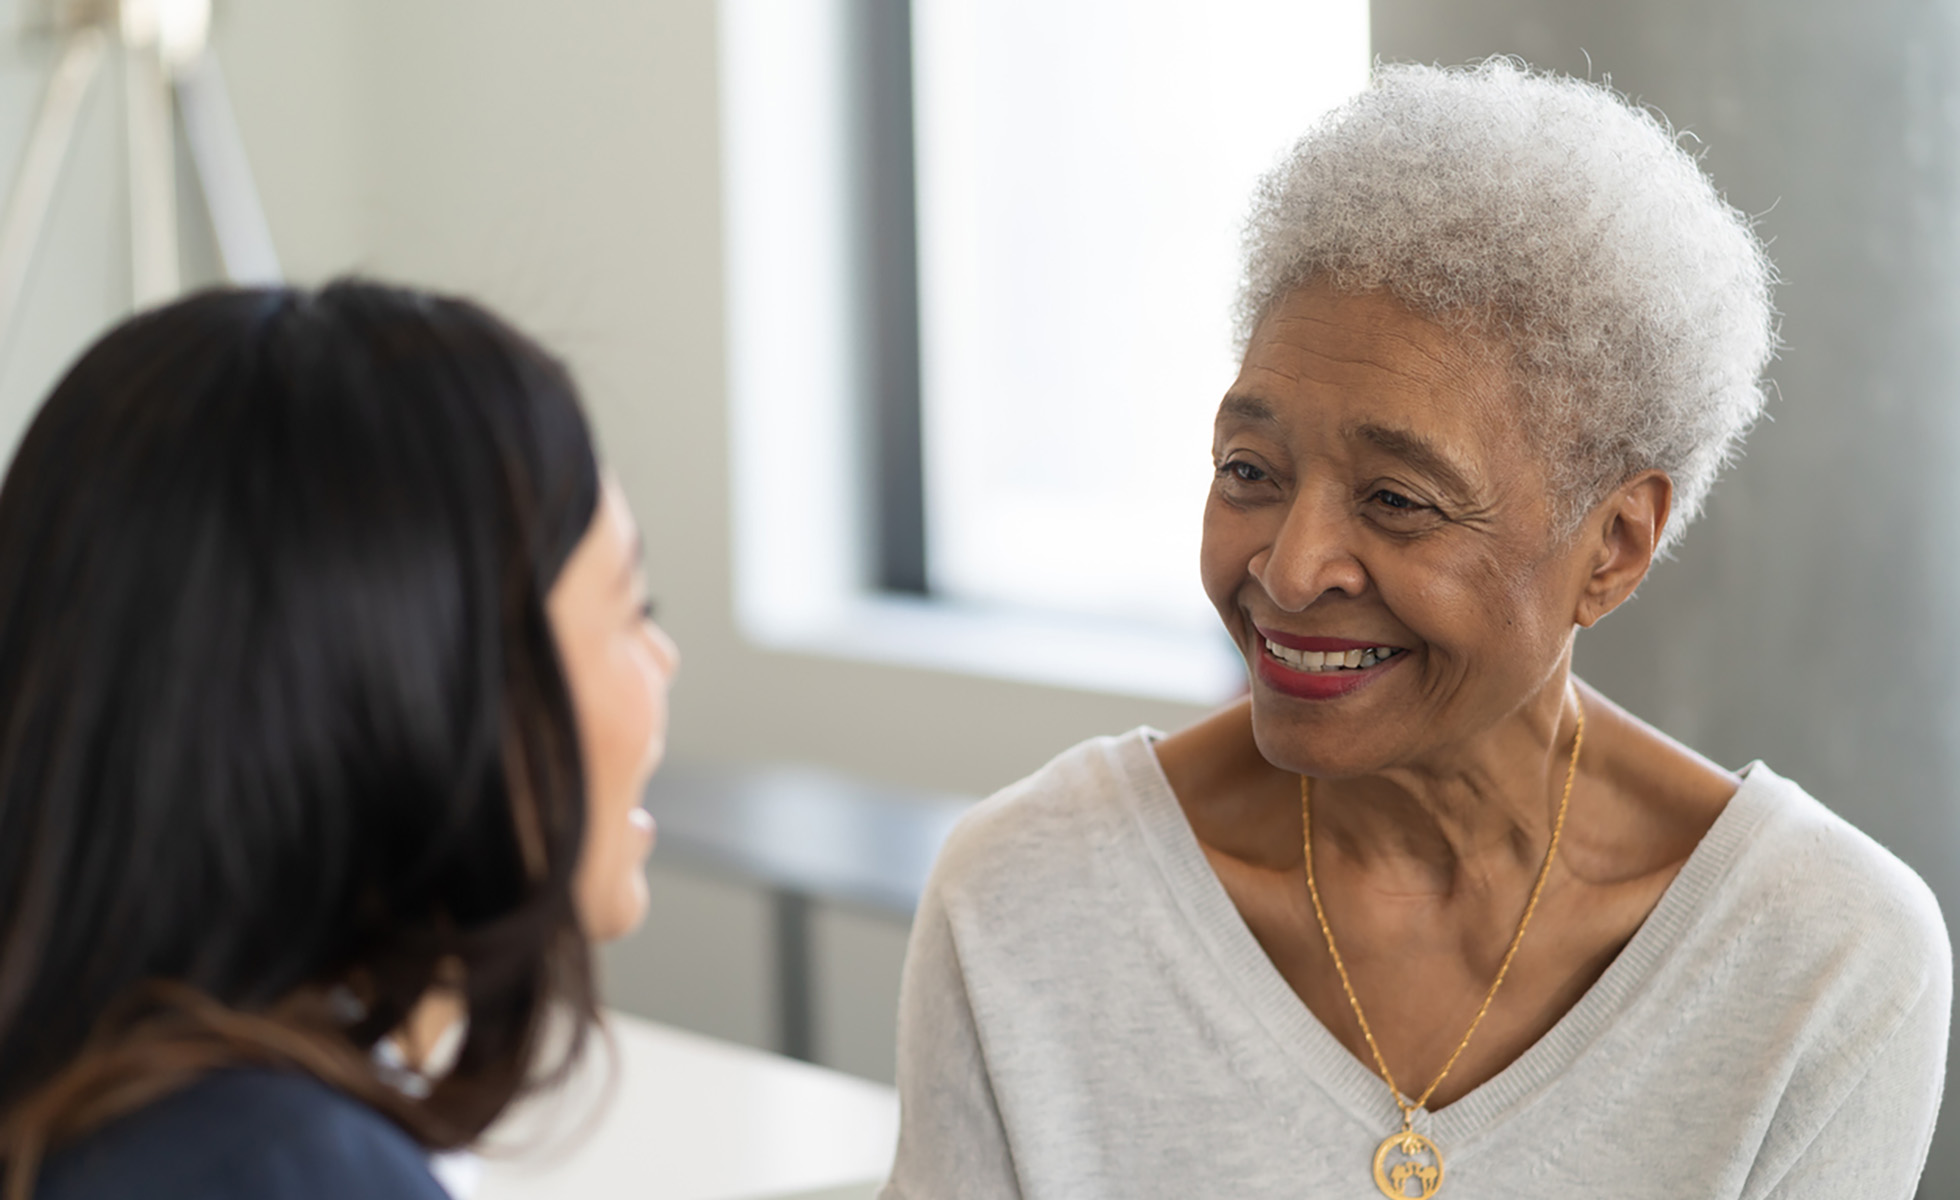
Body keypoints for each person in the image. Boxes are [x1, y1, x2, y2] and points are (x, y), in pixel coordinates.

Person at [883, 60, 1949, 1200]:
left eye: (1397, 499)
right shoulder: (1026, 900)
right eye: (1249, 470)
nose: (1291, 571)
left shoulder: (1821, 955)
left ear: (1614, 546)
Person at [0, 281, 680, 1199]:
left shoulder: (101, 1110)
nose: (665, 661)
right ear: (428, 690)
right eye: (634, 609)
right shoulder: (291, 1173)